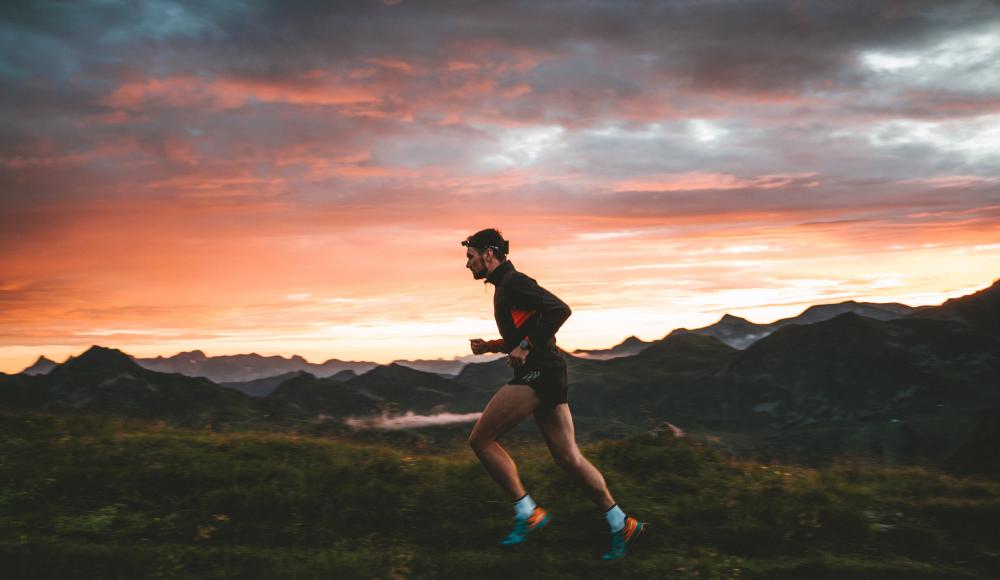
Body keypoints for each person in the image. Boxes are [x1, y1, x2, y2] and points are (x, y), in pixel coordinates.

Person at [463, 228, 645, 560]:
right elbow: (528, 329)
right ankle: (622, 523)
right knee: (568, 458)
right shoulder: (505, 286)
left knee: (481, 440)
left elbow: (560, 310)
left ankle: (527, 513)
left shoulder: (513, 282)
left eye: (470, 257)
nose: (468, 264)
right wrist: (492, 346)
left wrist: (524, 345)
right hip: (549, 373)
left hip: (539, 374)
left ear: (488, 254)